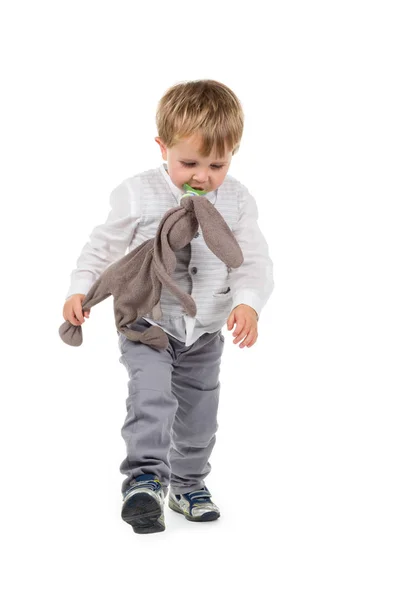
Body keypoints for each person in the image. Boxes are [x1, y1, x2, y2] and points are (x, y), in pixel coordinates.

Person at [62, 79, 274, 534]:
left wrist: (248, 303)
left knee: (199, 414)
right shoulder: (137, 193)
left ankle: (188, 483)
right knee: (152, 395)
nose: (203, 176)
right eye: (189, 162)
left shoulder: (236, 199)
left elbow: (253, 259)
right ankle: (143, 480)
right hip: (146, 323)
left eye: (217, 163)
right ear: (162, 148)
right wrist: (81, 288)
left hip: (205, 330)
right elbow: (103, 247)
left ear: (234, 151)